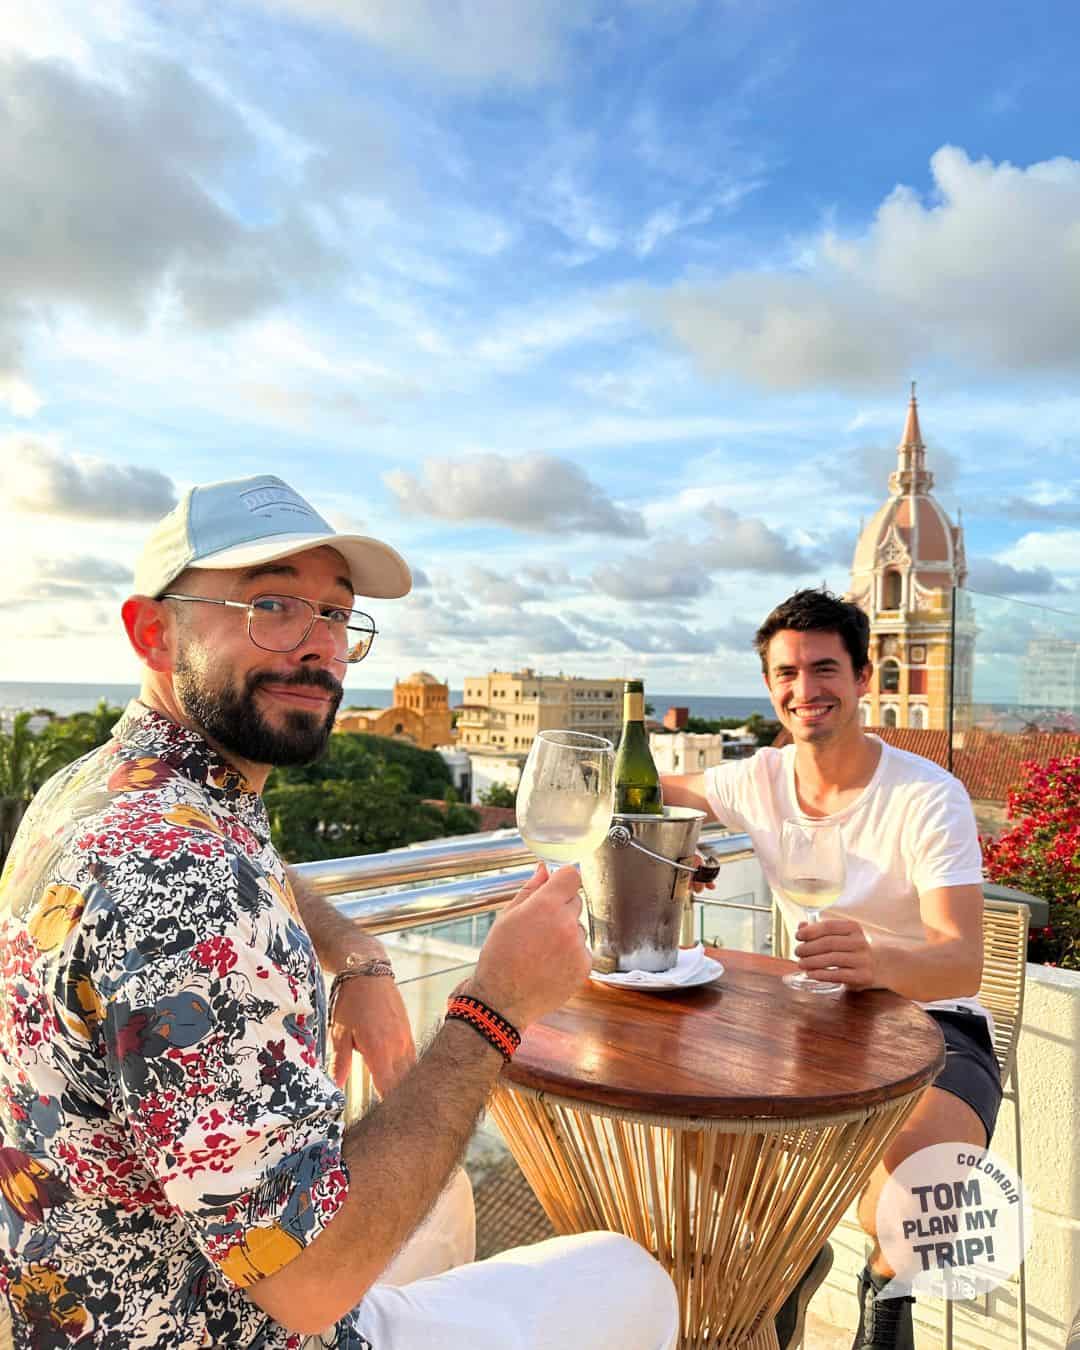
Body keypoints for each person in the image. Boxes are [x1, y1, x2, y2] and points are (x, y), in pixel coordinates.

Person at [0, 474, 679, 1349]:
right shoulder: (183, 874)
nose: (317, 646)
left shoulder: (111, 792)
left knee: (448, 1206)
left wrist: (355, 952)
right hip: (229, 1326)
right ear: (153, 634)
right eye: (272, 606)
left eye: (335, 615)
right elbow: (309, 1280)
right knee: (632, 1277)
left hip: (87, 1295)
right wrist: (494, 1006)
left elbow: (254, 866)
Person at [664, 588, 1000, 1350]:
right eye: (786, 672)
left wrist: (879, 963)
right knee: (685, 1109)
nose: (803, 690)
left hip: (933, 1021)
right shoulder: (761, 780)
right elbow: (654, 790)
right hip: (811, 1020)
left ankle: (885, 1293)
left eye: (824, 669)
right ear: (769, 684)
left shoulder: (926, 797)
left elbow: (962, 958)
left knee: (911, 1203)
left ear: (862, 678)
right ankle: (791, 1244)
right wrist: (679, 841)